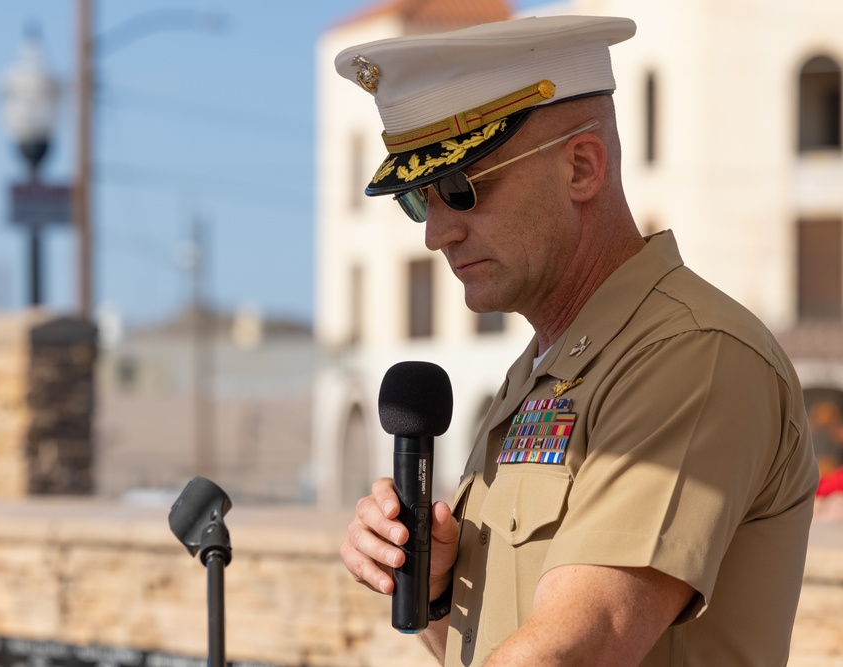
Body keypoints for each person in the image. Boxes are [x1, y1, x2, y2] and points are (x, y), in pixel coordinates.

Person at [334, 15, 819, 667]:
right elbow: (496, 645)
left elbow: (578, 645)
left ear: (582, 168)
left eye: (461, 187)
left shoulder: (694, 355)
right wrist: (440, 590)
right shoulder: (538, 373)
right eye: (422, 199)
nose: (437, 232)